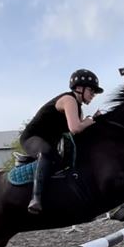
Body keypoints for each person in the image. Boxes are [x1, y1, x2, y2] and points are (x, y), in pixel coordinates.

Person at [19, 69, 104, 214]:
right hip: (32, 138)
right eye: (91, 90)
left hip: (49, 142)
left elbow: (79, 131)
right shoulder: (68, 100)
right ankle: (35, 199)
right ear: (79, 88)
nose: (93, 95)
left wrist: (93, 121)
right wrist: (91, 120)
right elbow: (76, 128)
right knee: (46, 153)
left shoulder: (79, 109)